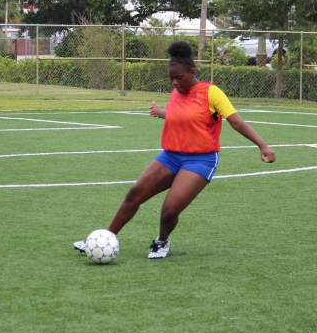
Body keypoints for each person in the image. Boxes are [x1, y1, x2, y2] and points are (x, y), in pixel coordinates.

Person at [74, 40, 276, 259]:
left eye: (179, 78)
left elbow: (237, 122)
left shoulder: (212, 93)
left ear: (192, 71)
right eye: (171, 78)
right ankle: (104, 239)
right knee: (134, 195)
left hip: (201, 160)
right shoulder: (177, 92)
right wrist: (161, 112)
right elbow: (178, 115)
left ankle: (161, 242)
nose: (175, 83)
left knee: (169, 209)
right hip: (170, 156)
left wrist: (262, 145)